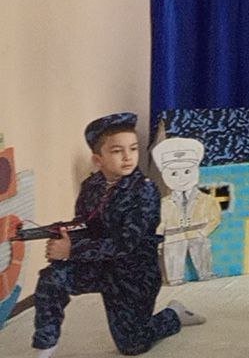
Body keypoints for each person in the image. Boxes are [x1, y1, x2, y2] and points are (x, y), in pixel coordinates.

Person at [31, 113, 204, 358]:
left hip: (133, 273)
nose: (127, 157)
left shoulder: (145, 190)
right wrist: (64, 239)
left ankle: (173, 314)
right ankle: (45, 347)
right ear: (98, 159)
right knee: (52, 278)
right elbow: (85, 225)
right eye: (116, 151)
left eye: (133, 148)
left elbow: (126, 244)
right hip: (97, 264)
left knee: (133, 345)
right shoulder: (91, 186)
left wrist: (72, 250)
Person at [153, 136, 221, 283]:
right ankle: (175, 278)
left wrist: (203, 232)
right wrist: (158, 240)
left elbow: (215, 218)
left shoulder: (207, 200)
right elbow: (160, 223)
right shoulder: (163, 203)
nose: (181, 178)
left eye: (187, 171)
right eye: (174, 173)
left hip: (198, 233)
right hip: (173, 237)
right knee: (173, 256)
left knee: (202, 253)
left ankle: (206, 273)